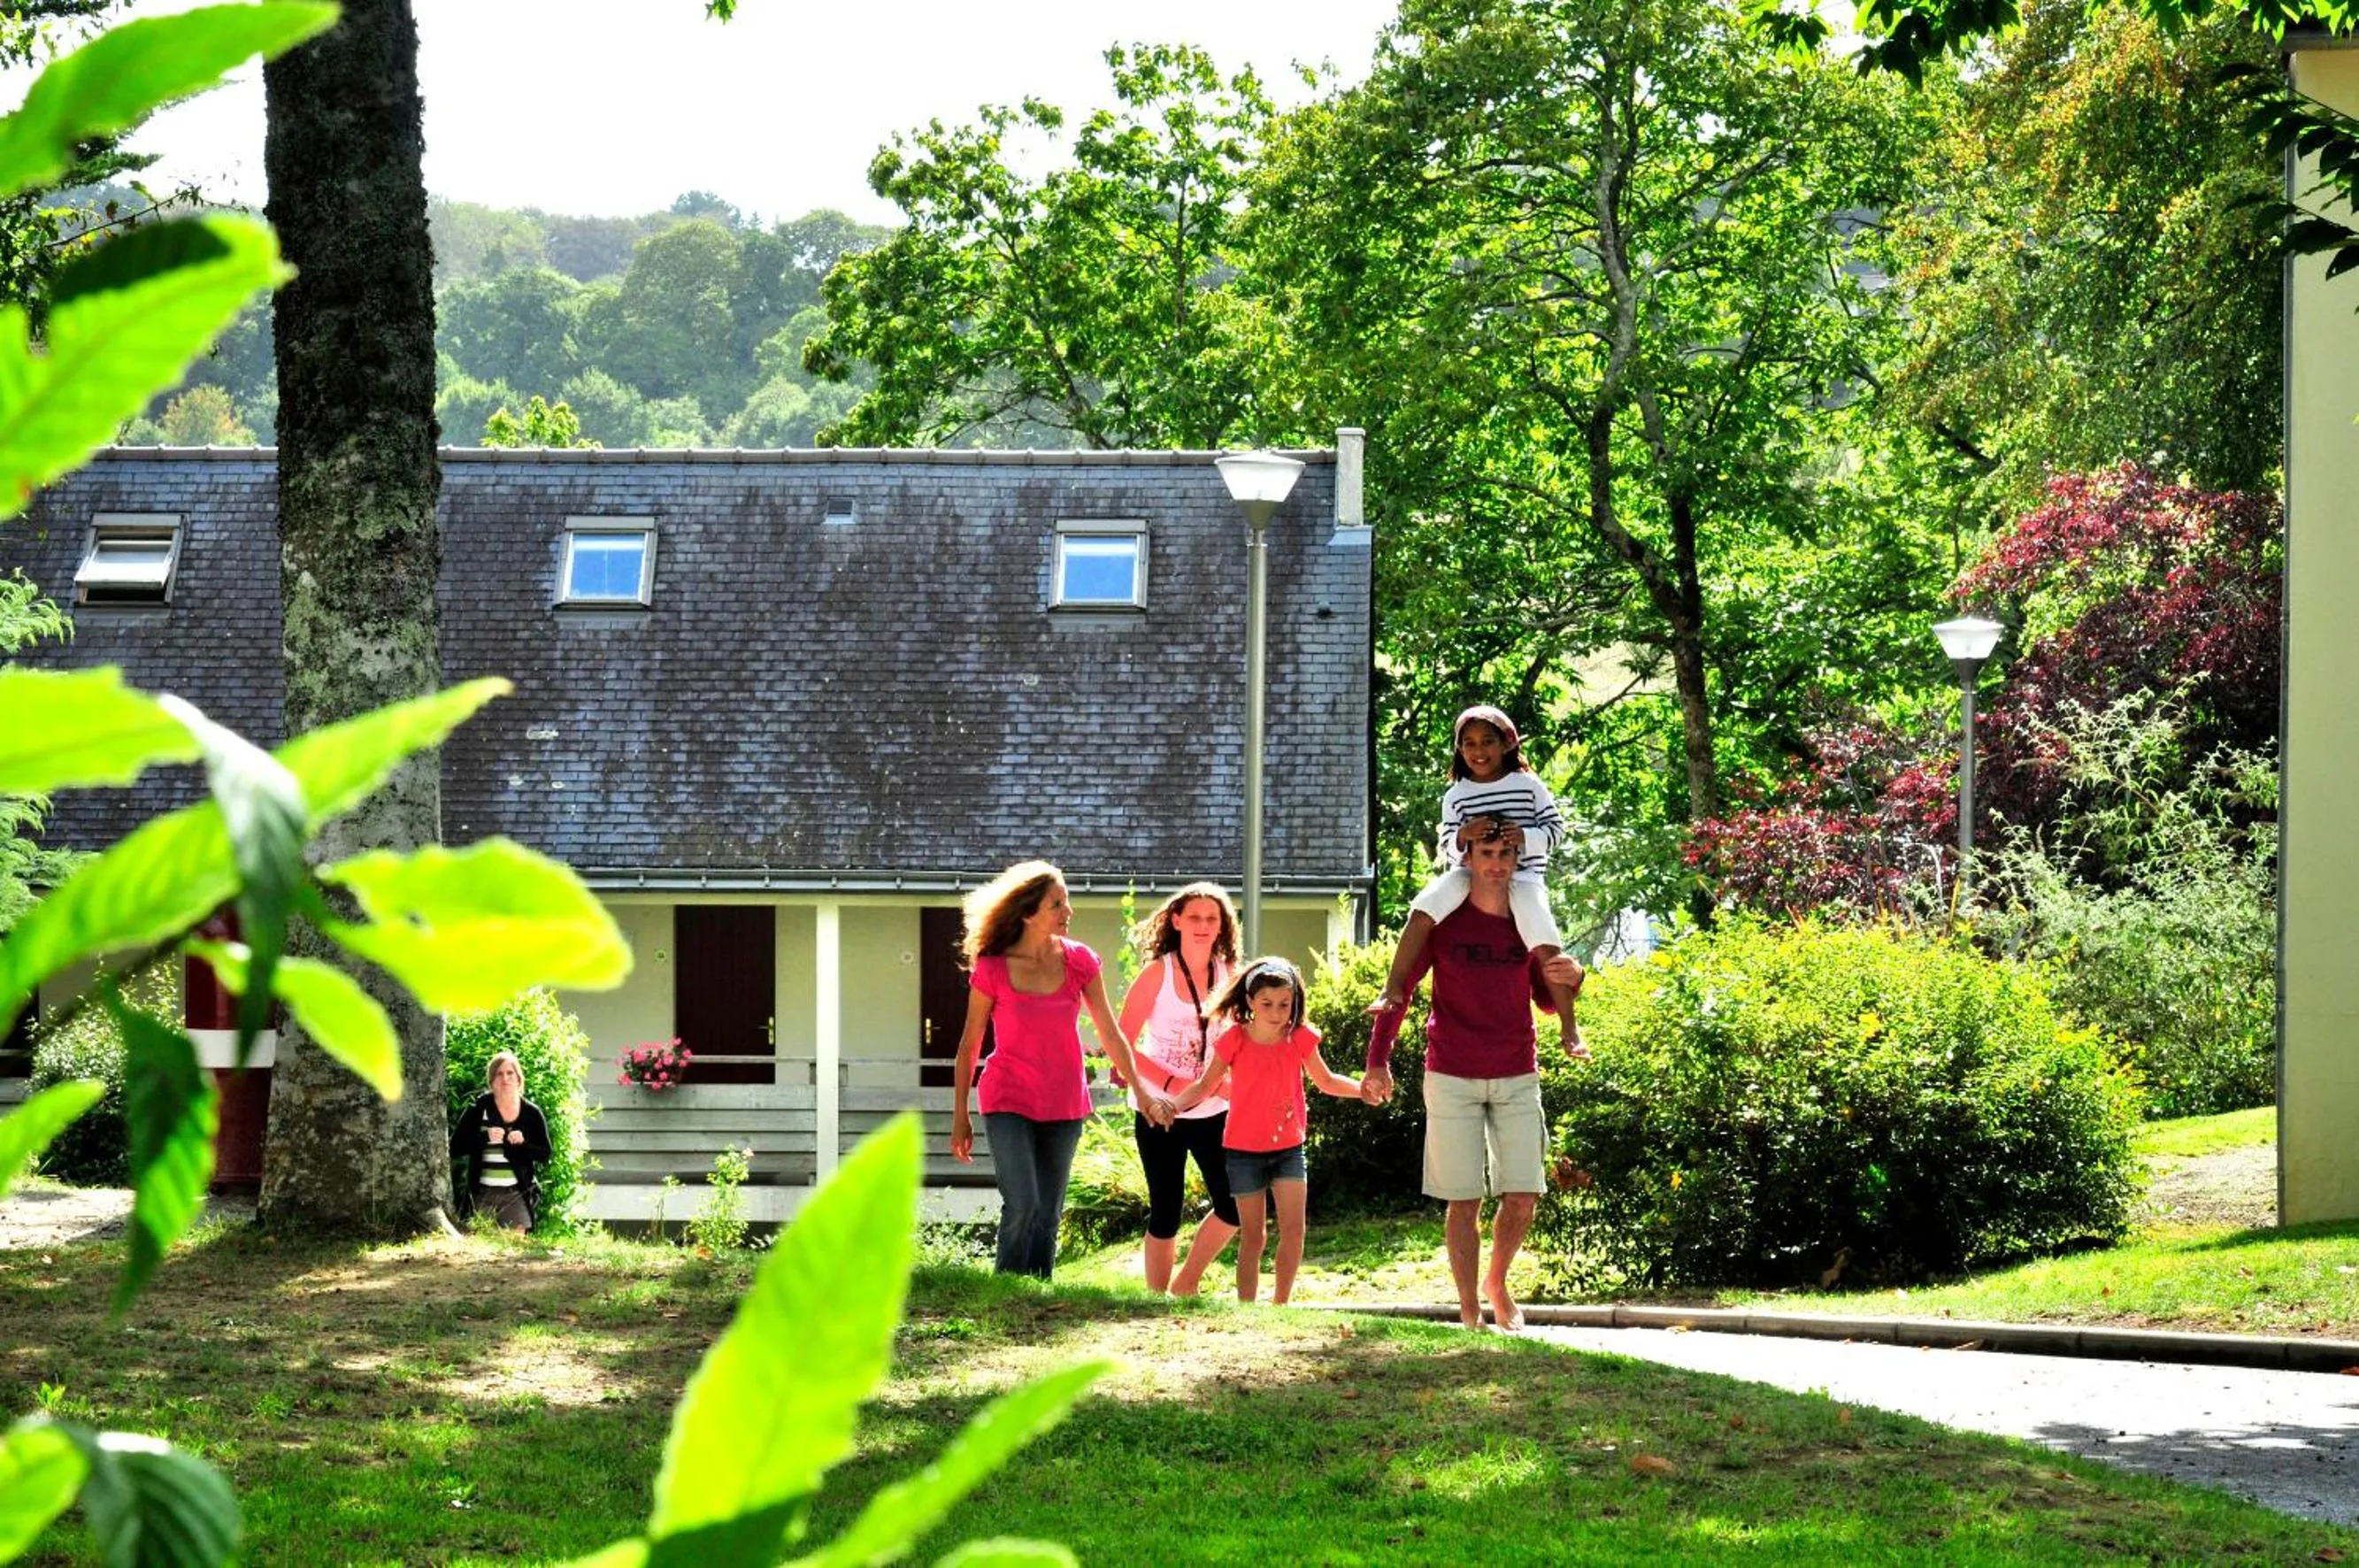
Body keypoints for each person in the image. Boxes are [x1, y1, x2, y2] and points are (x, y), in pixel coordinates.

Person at [1366, 832, 1587, 1331]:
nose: (1497, 863)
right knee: (1463, 1200)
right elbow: (1399, 991)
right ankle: (1469, 1310)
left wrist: (1576, 977)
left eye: (1506, 854)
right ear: (1467, 857)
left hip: (1516, 1070)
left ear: (1517, 859)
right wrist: (1377, 1061)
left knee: (1523, 1194)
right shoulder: (1444, 919)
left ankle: (1497, 1283)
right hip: (1451, 1072)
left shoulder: (1527, 918)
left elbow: (1546, 1000)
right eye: (1487, 853)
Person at [949, 860, 1170, 1279]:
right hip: (1008, 1098)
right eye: (1057, 904)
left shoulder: (1079, 962)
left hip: (1064, 1101)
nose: (1068, 911)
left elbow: (1110, 1032)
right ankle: (1007, 1292)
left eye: (1066, 901)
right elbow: (969, 1044)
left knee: (1049, 1213)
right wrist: (960, 1114)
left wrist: (1141, 1092)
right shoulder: (993, 968)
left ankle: (1038, 1293)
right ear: (1028, 912)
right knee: (1023, 1204)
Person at [1373, 704, 1582, 1052]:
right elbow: (1446, 844)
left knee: (1544, 936)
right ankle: (1391, 987)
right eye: (1468, 743)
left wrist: (1525, 836)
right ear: (1459, 749)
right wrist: (1463, 835)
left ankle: (1570, 1028)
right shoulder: (1457, 794)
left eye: (1487, 741)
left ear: (1506, 745)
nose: (1478, 750)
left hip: (1524, 875)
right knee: (1423, 908)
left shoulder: (1528, 786)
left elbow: (1556, 830)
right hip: (1467, 872)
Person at [1167, 957, 1365, 1305]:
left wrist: (1364, 1090)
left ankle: (1280, 1306)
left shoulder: (1299, 1038)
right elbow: (1204, 1085)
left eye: (1284, 1004)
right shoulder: (1234, 1039)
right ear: (1250, 1002)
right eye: (1267, 1004)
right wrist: (1170, 1106)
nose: (1276, 1012)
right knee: (1254, 1237)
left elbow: (1326, 1081)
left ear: (1294, 1003)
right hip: (1243, 1153)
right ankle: (1248, 1308)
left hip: (1289, 1149)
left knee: (1294, 1231)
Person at [1114, 882, 1244, 1295]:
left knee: (1234, 1205)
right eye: (1194, 918)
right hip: (1160, 1107)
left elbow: (1247, 1037)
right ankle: (1154, 1303)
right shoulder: (1158, 973)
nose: (1203, 926)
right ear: (1175, 921)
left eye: (1212, 918)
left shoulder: (1232, 974)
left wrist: (1229, 1082)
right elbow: (1122, 1044)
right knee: (1166, 1209)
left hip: (1213, 1109)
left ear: (1222, 926)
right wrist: (1175, 1084)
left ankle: (1185, 1284)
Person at [450, 1051, 550, 1231]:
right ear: (492, 1081)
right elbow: (455, 1148)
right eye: (499, 1074)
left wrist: (522, 1145)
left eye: (510, 1073)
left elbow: (545, 1154)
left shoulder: (531, 1113)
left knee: (516, 1245)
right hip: (482, 1193)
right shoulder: (478, 1109)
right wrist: (484, 1138)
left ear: (518, 1079)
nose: (505, 1079)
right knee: (479, 1243)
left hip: (516, 1193)